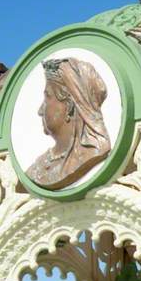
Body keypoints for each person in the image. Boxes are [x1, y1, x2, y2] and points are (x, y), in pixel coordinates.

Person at [27, 57, 111, 190]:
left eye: (47, 97)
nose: (40, 110)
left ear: (69, 105)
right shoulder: (36, 169)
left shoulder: (91, 155)